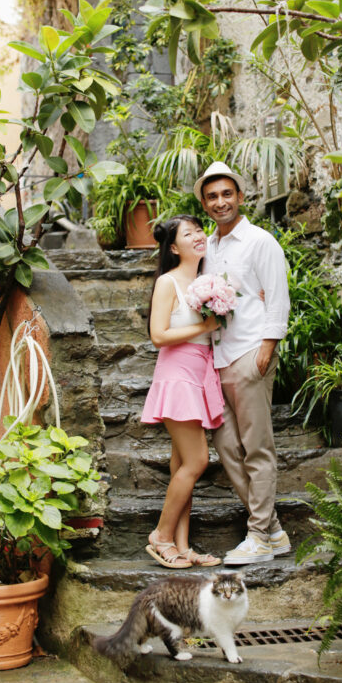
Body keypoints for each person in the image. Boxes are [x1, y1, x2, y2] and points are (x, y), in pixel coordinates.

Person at [193, 161, 291, 565]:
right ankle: (274, 530)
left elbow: (278, 295)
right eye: (212, 196)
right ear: (205, 203)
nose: (221, 202)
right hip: (218, 357)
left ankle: (258, 538)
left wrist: (267, 349)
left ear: (240, 197)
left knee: (257, 448)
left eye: (227, 194)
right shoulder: (209, 246)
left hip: (251, 352)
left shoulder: (260, 241)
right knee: (227, 447)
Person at [141, 214, 225, 569]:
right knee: (197, 461)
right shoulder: (168, 282)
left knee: (181, 466)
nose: (198, 236)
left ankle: (182, 545)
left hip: (201, 373)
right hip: (177, 376)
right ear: (174, 247)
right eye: (188, 234)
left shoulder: (208, 280)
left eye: (199, 230)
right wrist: (203, 326)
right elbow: (158, 336)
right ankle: (160, 537)